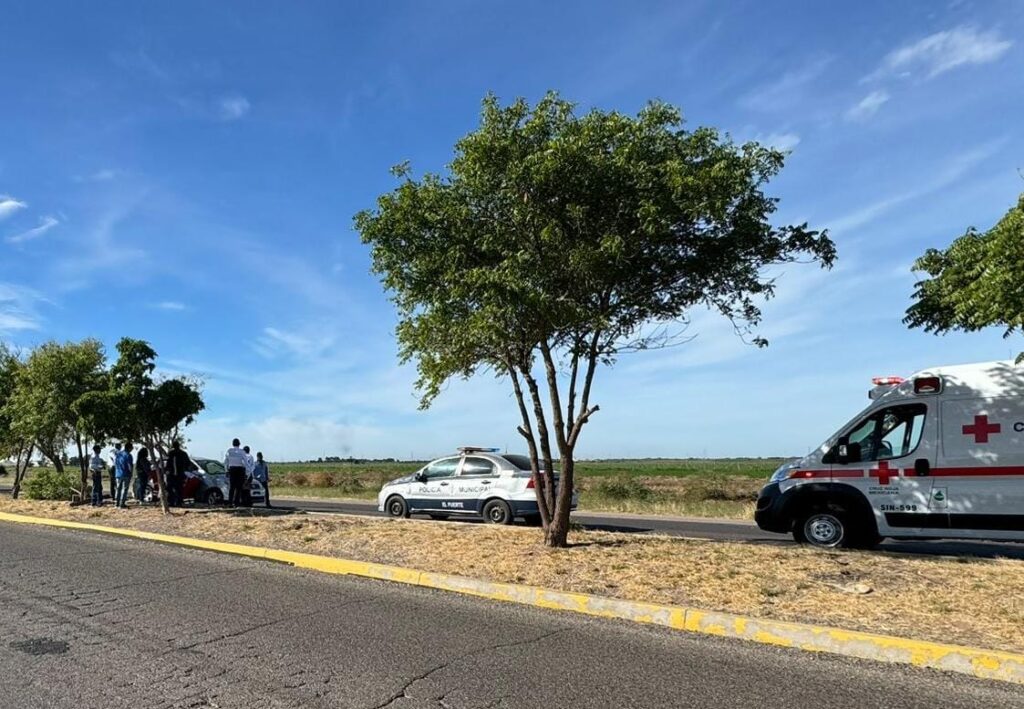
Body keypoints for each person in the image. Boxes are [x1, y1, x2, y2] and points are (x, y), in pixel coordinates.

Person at [165, 440, 191, 507]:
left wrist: (166, 471)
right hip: (179, 474)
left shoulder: (171, 453)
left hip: (173, 474)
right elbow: (188, 463)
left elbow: (168, 463)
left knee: (171, 488)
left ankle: (172, 502)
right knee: (178, 488)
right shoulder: (183, 453)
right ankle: (178, 502)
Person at [224, 438, 247, 508]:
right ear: (239, 444)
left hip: (232, 469)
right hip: (240, 469)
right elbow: (245, 462)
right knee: (239, 487)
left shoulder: (229, 451)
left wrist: (226, 470)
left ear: (232, 444)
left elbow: (226, 461)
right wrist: (246, 471)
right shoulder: (242, 451)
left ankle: (230, 502)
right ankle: (236, 503)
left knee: (232, 487)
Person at [114, 443, 134, 509]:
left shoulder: (118, 454)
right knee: (124, 489)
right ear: (129, 448)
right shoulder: (128, 455)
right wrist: (131, 473)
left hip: (118, 473)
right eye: (132, 448)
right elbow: (129, 466)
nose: (132, 449)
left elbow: (115, 463)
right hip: (126, 474)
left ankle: (117, 504)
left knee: (118, 489)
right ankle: (122, 504)